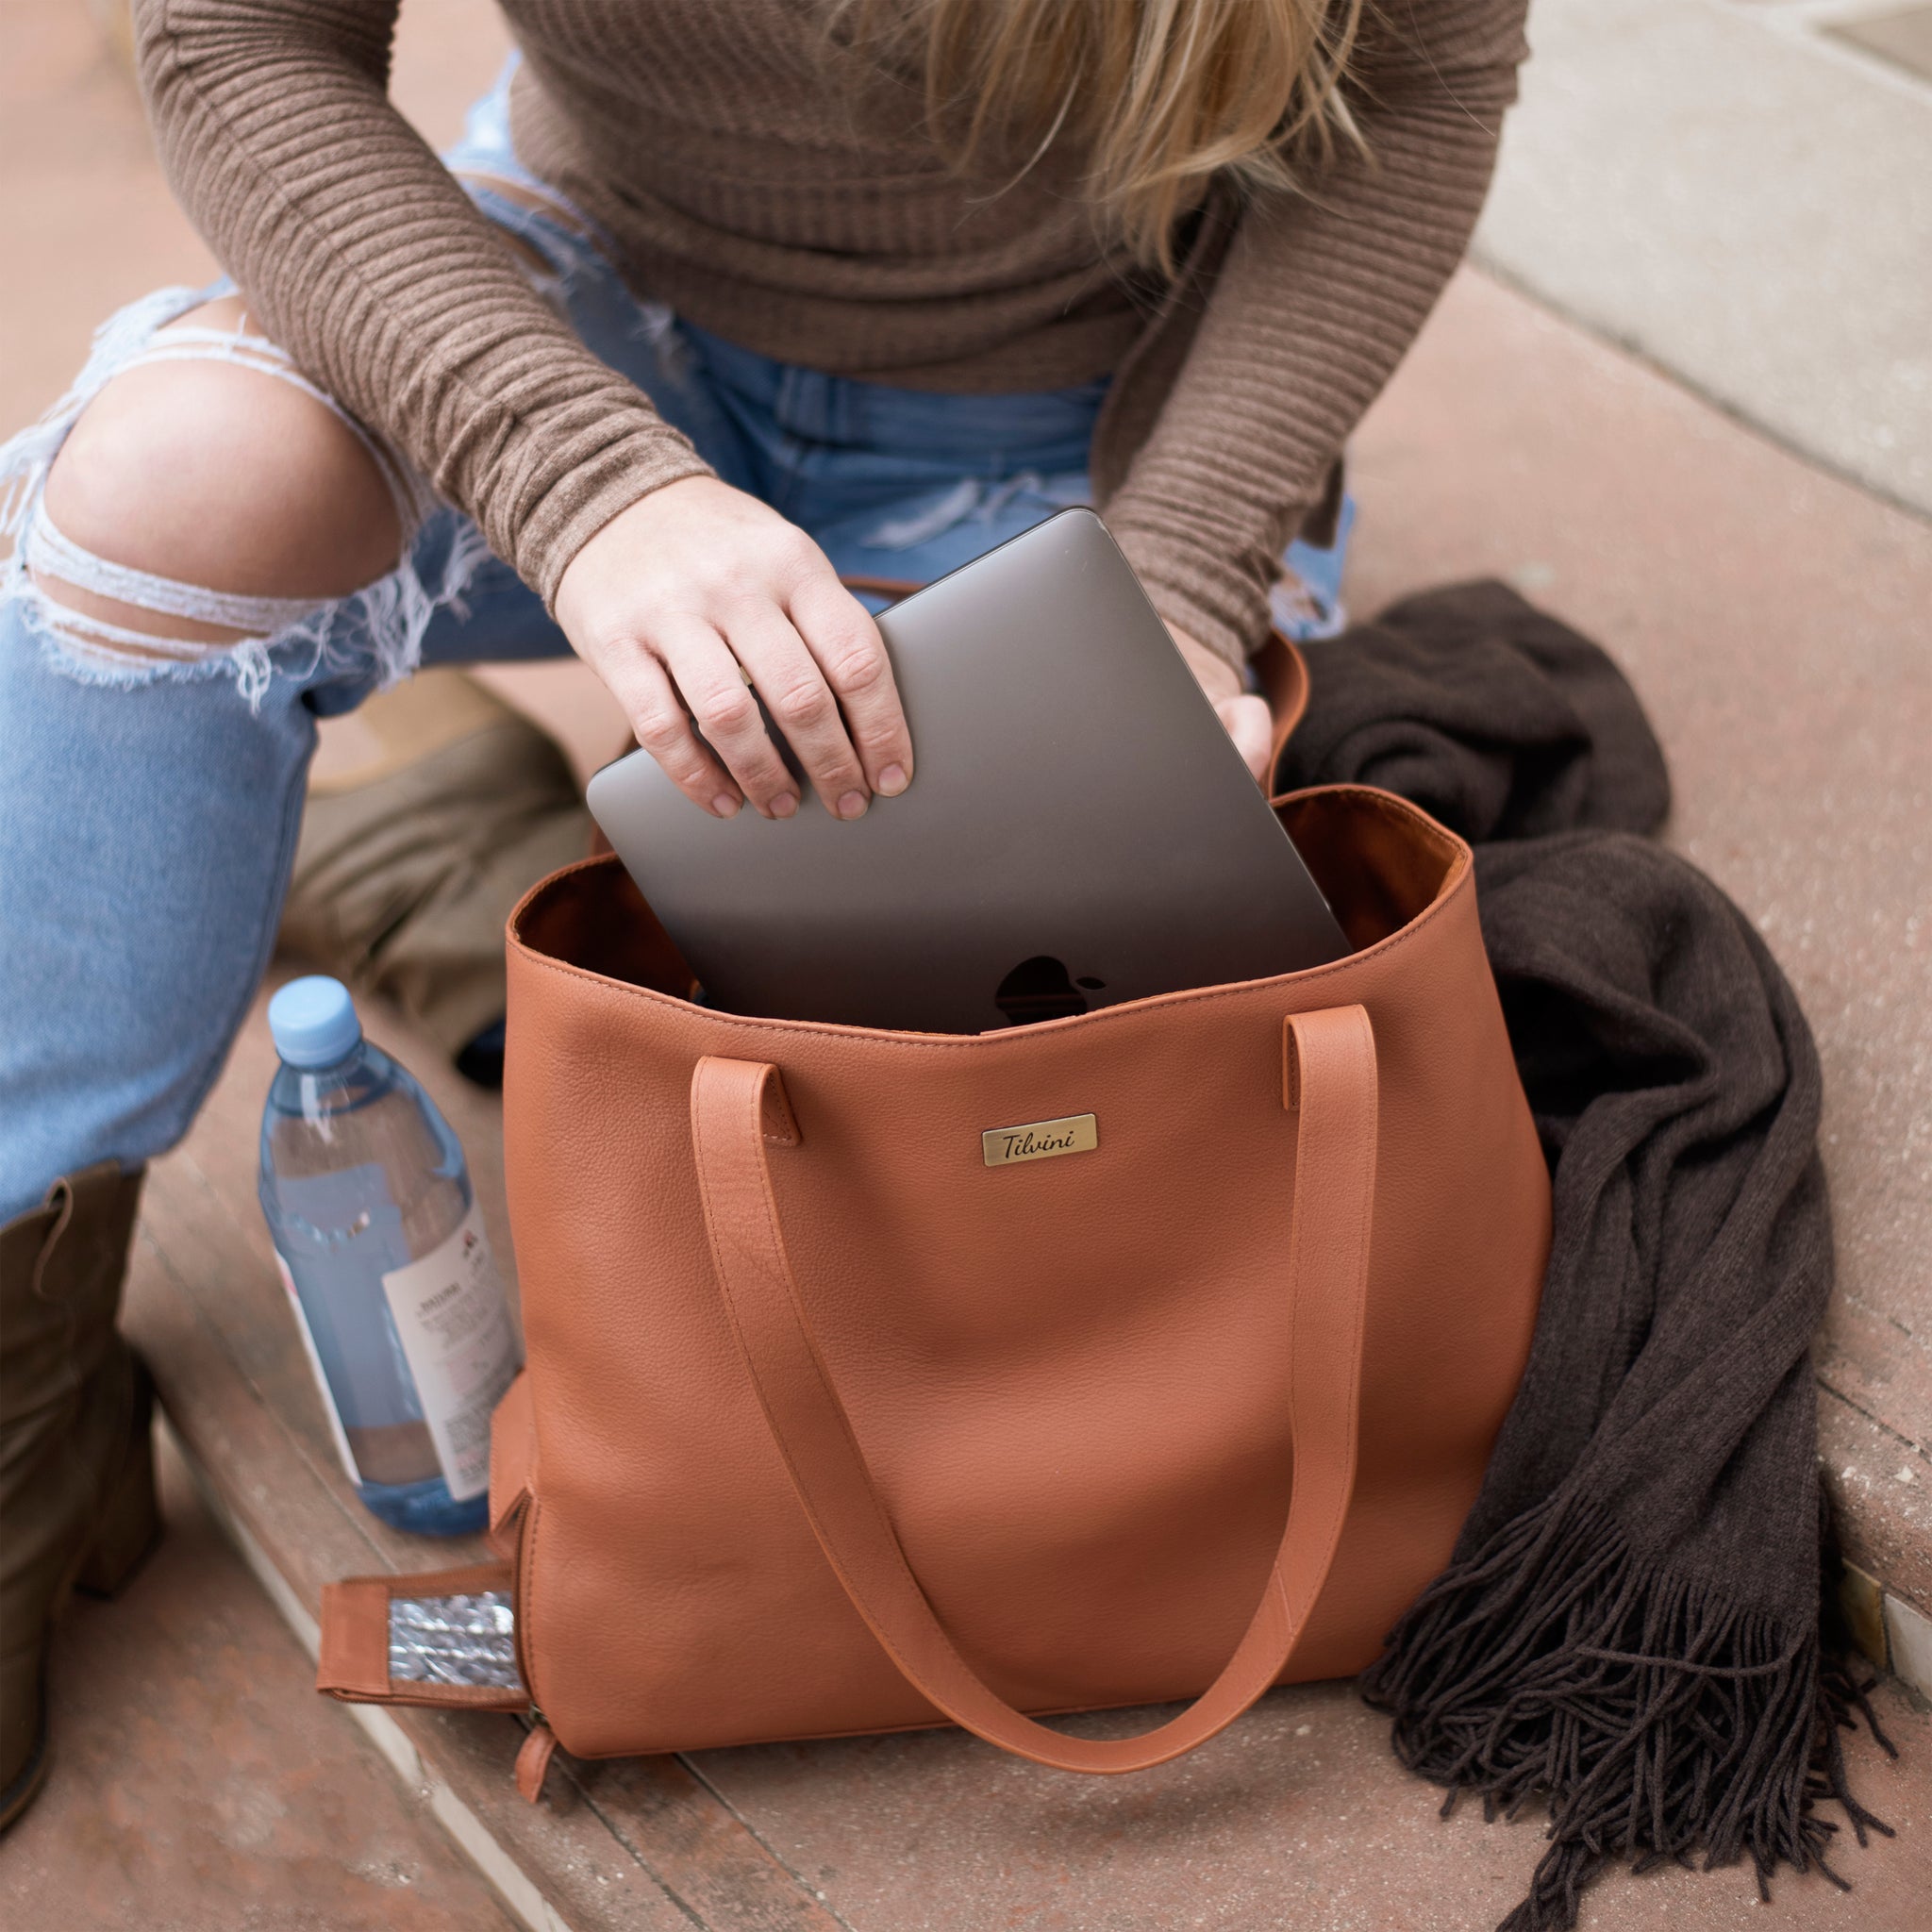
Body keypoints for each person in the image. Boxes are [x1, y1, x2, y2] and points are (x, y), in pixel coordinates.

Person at [0, 0, 1528, 1825]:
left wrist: (1188, 575)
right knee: (184, 476)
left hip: (1081, 423)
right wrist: (586, 480)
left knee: (972, 1039)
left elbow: (1424, 83)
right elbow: (238, 36)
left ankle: (443, 839)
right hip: (578, 309)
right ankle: (27, 1393)